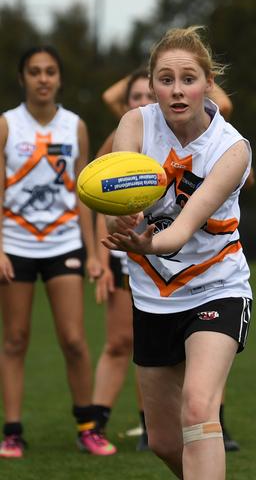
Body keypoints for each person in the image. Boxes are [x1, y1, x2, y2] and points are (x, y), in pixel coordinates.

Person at [101, 26, 252, 479]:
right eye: (165, 79)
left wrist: (147, 242)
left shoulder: (232, 150)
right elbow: (117, 200)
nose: (177, 89)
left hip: (215, 286)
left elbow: (182, 230)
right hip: (152, 295)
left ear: (208, 83)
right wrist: (119, 222)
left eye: (188, 78)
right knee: (165, 441)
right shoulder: (135, 124)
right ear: (151, 85)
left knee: (199, 408)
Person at [0, 46, 115, 458]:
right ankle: (12, 431)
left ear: (59, 79)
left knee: (74, 340)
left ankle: (88, 426)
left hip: (64, 243)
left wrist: (93, 252)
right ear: (23, 79)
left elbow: (83, 194)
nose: (43, 78)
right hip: (15, 245)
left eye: (50, 71)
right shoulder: (7, 125)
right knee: (14, 340)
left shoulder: (75, 126)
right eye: (34, 71)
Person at [91, 68, 155, 453]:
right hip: (124, 252)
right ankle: (94, 425)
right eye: (134, 97)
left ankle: (154, 425)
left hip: (168, 254)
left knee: (159, 343)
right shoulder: (120, 138)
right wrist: (99, 257)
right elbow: (93, 196)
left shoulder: (177, 136)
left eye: (150, 95)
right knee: (119, 341)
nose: (143, 103)